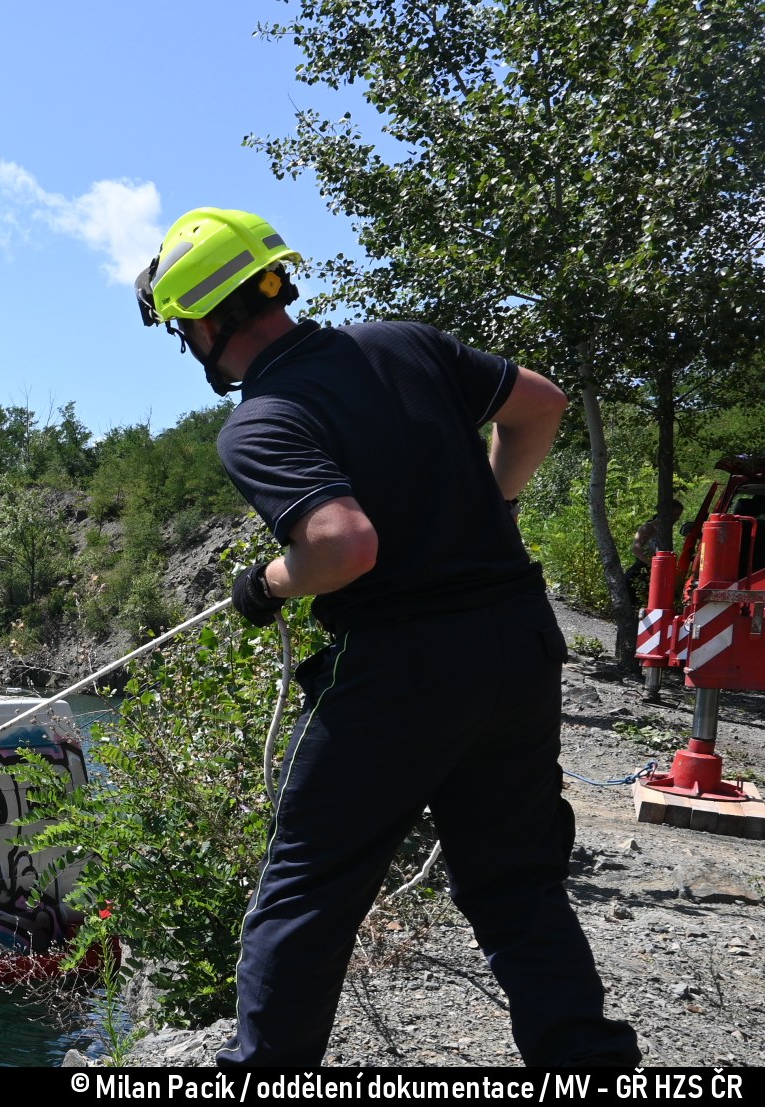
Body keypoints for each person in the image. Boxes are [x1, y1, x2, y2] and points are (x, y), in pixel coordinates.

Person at [133, 207, 641, 1068]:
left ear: (207, 324)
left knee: (306, 895)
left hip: (401, 669)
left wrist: (266, 583)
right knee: (517, 883)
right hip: (517, 642)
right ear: (273, 282)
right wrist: (495, 502)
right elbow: (542, 406)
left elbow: (342, 544)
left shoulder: (261, 420)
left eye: (185, 329)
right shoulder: (403, 343)